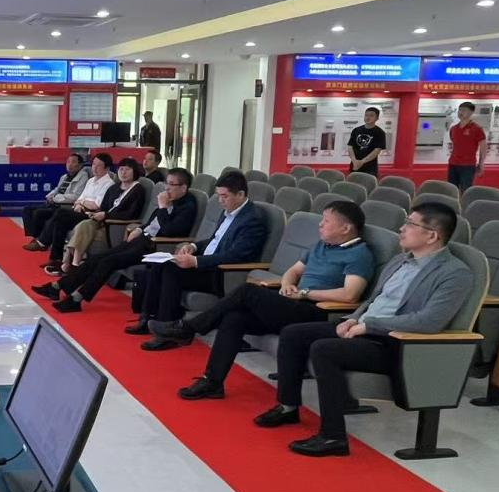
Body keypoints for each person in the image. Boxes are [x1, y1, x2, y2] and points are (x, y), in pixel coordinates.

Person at [257, 202, 473, 457]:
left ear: (432, 235)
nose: (402, 229)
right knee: (295, 334)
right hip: (365, 328)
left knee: (324, 349)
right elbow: (373, 300)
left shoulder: (454, 273)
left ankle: (333, 437)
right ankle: (288, 407)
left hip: (396, 344)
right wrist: (353, 319)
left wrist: (369, 325)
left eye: (410, 224)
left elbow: (428, 322)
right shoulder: (400, 261)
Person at [147, 202, 373, 398]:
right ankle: (212, 382)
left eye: (326, 221)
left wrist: (305, 293)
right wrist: (287, 284)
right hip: (294, 303)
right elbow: (293, 271)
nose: (320, 225)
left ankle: (188, 328)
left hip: (317, 312)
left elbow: (349, 295)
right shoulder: (321, 246)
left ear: (345, 228)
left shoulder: (359, 254)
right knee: (235, 318)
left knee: (248, 291)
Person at [32, 167, 198, 312]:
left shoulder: (187, 206)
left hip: (156, 246)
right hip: (142, 239)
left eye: (172, 184)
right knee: (97, 258)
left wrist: (162, 207)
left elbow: (169, 230)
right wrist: (139, 229)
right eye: (167, 183)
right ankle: (57, 287)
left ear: (183, 187)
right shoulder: (170, 200)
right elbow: (152, 222)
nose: (167, 188)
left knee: (108, 262)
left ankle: (77, 298)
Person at [127, 170, 269, 338]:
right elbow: (215, 240)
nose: (220, 201)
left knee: (172, 271)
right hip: (206, 265)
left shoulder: (253, 219)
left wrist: (196, 261)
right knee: (161, 264)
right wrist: (193, 246)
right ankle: (147, 318)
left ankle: (167, 328)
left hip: (222, 273)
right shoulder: (229, 211)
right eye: (218, 196)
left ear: (240, 194)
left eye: (225, 196)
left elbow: (236, 255)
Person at [60, 158, 148, 269]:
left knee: (83, 226)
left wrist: (106, 215)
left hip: (115, 226)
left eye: (127, 169)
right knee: (82, 225)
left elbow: (131, 214)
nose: (123, 173)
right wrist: (96, 214)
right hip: (102, 221)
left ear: (134, 171)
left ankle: (70, 263)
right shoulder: (114, 188)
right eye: (121, 169)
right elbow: (104, 207)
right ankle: (73, 263)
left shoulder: (137, 190)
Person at [30, 153, 117, 262]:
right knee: (59, 223)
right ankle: (56, 259)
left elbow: (96, 205)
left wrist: (82, 202)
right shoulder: (91, 181)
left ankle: (43, 242)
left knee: (61, 213)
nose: (94, 168)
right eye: (94, 164)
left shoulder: (108, 184)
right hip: (80, 210)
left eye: (99, 165)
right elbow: (79, 199)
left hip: (92, 215)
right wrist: (80, 204)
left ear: (107, 168)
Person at [22, 154, 89, 244]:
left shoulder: (83, 177)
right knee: (27, 210)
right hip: (54, 203)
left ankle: (40, 240)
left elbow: (75, 196)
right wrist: (49, 196)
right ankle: (36, 237)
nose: (69, 164)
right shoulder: (64, 176)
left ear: (80, 165)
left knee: (38, 213)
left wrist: (55, 198)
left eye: (73, 162)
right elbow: (57, 189)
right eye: (68, 162)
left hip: (64, 206)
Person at [447, 102, 486, 192]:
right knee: (451, 189)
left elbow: (483, 147)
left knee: (465, 190)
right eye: (459, 110)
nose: (461, 112)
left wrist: (481, 163)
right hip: (453, 163)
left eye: (464, 110)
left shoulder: (477, 129)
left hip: (468, 165)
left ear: (471, 112)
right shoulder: (454, 128)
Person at [347, 107, 386, 177]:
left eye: (371, 115)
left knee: (369, 183)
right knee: (352, 182)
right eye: (366, 115)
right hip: (355, 165)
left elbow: (377, 150)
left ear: (377, 118)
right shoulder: (356, 130)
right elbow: (350, 146)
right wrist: (354, 160)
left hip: (370, 168)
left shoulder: (380, 133)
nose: (368, 117)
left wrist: (362, 162)